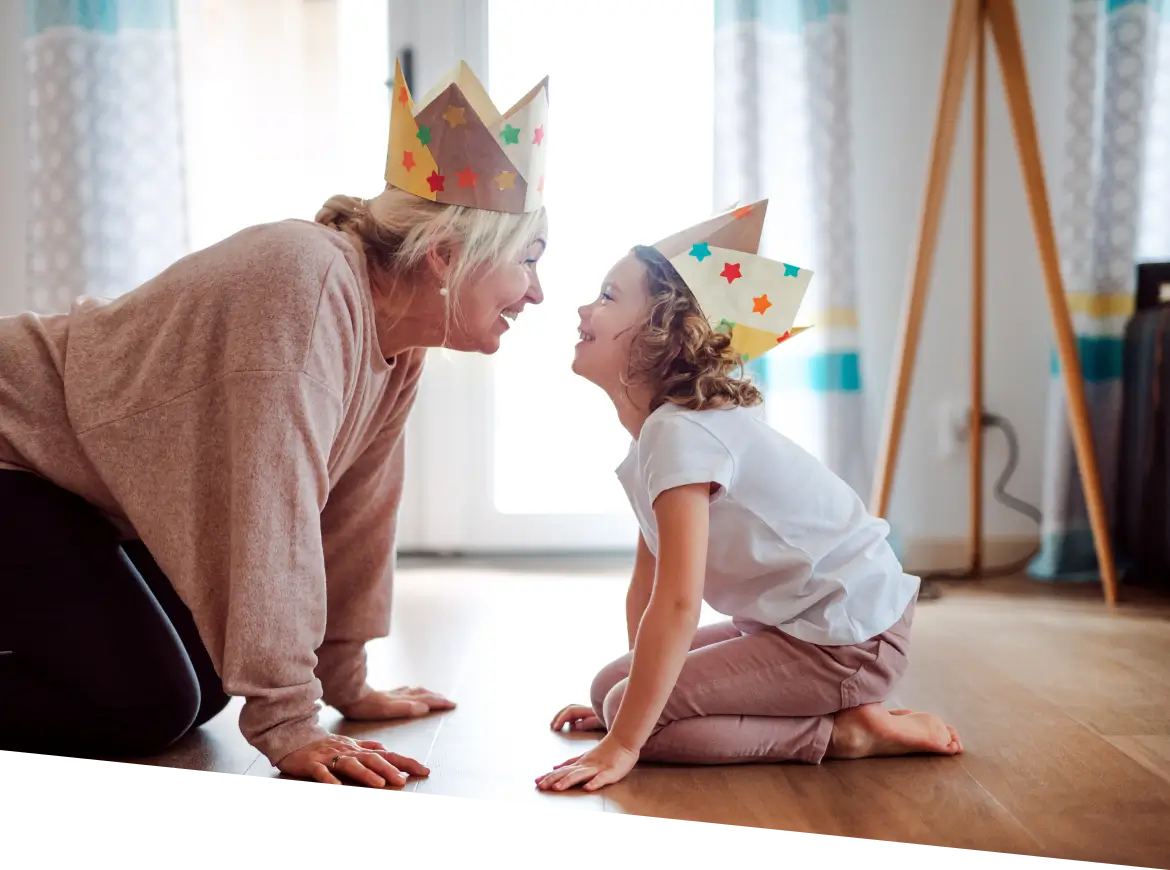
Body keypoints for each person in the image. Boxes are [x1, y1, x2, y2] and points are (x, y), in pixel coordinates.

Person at [0, 59, 550, 789]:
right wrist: (290, 723)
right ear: (447, 257)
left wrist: (342, 681)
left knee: (215, 673)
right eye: (528, 262)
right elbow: (269, 505)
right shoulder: (307, 282)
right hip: (14, 459)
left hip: (71, 489)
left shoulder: (399, 343)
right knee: (149, 704)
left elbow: (356, 514)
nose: (537, 294)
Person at [535, 200, 962, 793]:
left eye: (608, 296)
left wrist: (627, 734)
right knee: (612, 686)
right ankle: (843, 711)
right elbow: (649, 585)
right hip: (802, 626)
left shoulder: (679, 434)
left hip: (850, 639)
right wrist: (634, 698)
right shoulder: (658, 436)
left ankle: (843, 733)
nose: (584, 307)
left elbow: (680, 605)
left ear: (662, 332)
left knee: (645, 728)